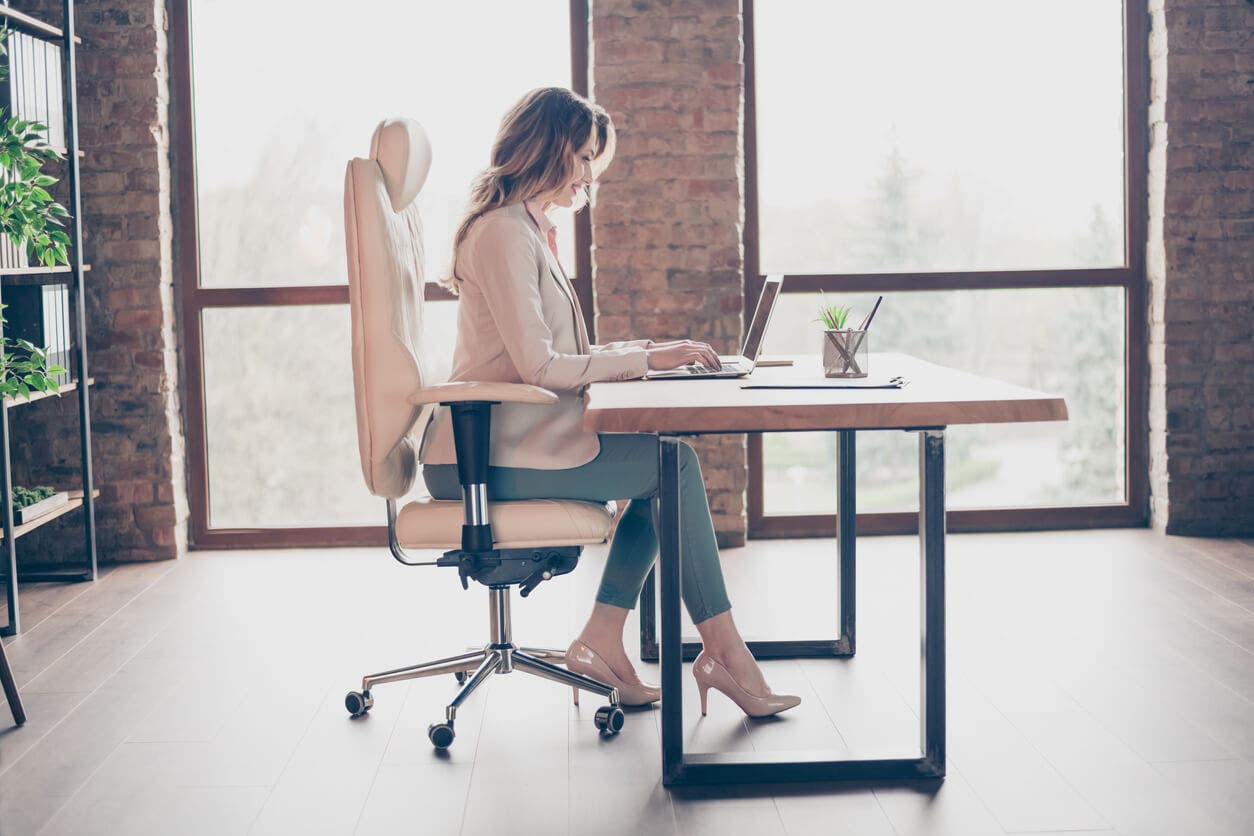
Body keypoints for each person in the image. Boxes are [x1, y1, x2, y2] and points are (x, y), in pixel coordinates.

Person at [420, 87, 798, 718]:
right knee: (671, 468)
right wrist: (647, 361)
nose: (591, 175)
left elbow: (555, 352)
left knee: (665, 466)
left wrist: (652, 349)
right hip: (479, 456)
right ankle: (723, 654)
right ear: (549, 147)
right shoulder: (503, 234)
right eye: (585, 156)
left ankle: (602, 642)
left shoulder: (524, 230)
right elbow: (542, 367)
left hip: (514, 440)